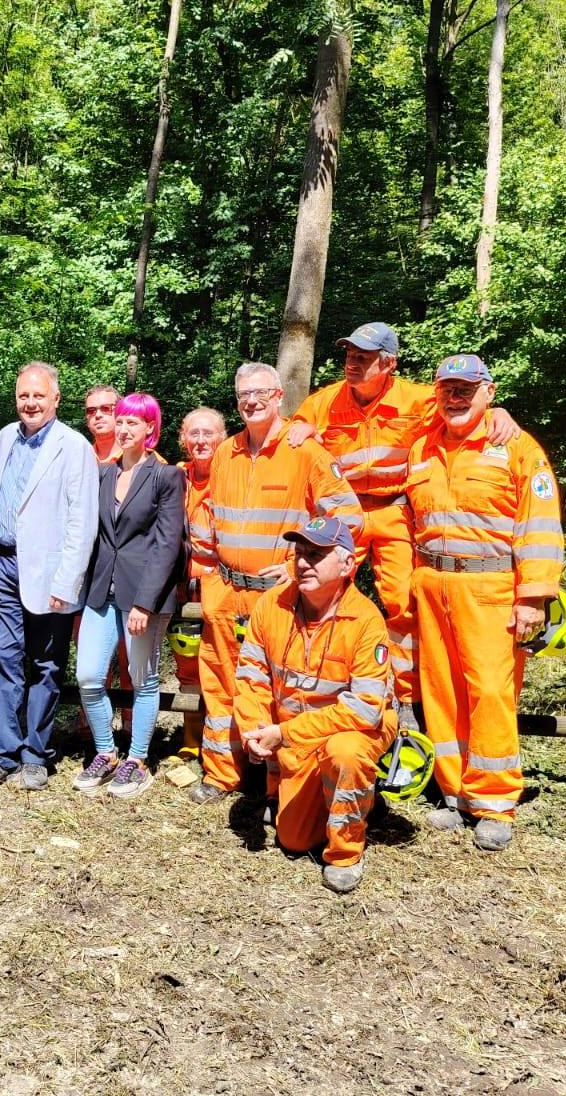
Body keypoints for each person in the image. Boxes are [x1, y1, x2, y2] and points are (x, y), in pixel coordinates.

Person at [288, 322, 518, 718]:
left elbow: (461, 406)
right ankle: (314, 682)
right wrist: (300, 428)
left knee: (404, 602)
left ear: (389, 364)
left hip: (394, 509)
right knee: (313, 591)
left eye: (363, 358)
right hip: (342, 512)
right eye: (349, 355)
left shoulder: (418, 399)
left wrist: (498, 411)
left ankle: (408, 698)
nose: (352, 363)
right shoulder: (324, 402)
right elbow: (294, 431)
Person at [406, 354, 565, 851]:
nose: (454, 398)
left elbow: (539, 525)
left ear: (488, 393)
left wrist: (533, 597)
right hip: (432, 585)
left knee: (491, 692)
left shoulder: (516, 448)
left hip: (491, 588)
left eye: (465, 389)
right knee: (441, 690)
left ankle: (494, 801)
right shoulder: (422, 446)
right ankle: (456, 793)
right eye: (446, 389)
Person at [194, 362, 361, 804]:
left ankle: (275, 786)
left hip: (278, 597)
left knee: (278, 691)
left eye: (260, 394)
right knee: (222, 684)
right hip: (225, 592)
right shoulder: (225, 452)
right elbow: (209, 519)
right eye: (243, 395)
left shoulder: (304, 450)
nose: (251, 402)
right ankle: (222, 773)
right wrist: (207, 576)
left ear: (279, 397)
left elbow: (349, 518)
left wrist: (296, 564)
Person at [237, 516, 396, 894]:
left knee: (346, 752)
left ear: (347, 564)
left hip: (354, 730)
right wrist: (254, 730)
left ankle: (345, 853)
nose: (303, 562)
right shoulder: (270, 606)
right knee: (293, 840)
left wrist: (284, 733)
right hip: (297, 735)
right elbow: (251, 679)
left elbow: (364, 710)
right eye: (300, 553)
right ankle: (334, 799)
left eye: (317, 554)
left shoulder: (366, 620)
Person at [0, 362, 99, 793]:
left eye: (38, 395)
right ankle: (0, 754)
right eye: (24, 395)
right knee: (4, 659)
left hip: (49, 572)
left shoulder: (74, 447)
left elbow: (83, 521)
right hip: (4, 566)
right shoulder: (6, 436)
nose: (30, 403)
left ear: (56, 399)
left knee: (45, 664)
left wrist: (67, 581)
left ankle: (35, 755)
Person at [71, 393, 185, 799]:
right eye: (119, 421)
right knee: (87, 675)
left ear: (150, 428)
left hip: (143, 597)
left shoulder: (166, 477)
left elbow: (168, 543)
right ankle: (106, 751)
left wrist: (145, 602)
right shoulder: (103, 475)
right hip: (101, 591)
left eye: (132, 422)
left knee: (143, 678)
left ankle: (137, 760)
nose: (122, 429)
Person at [174, 406, 227, 758]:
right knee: (187, 660)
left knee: (221, 663)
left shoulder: (234, 475)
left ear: (222, 438)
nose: (201, 440)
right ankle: (191, 740)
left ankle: (223, 743)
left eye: (208, 433)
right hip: (183, 585)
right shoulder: (177, 476)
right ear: (183, 439)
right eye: (194, 433)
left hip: (222, 585)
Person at [83, 384, 121, 465]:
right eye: (91, 410)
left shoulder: (139, 459)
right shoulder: (80, 458)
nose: (98, 415)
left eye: (106, 408)